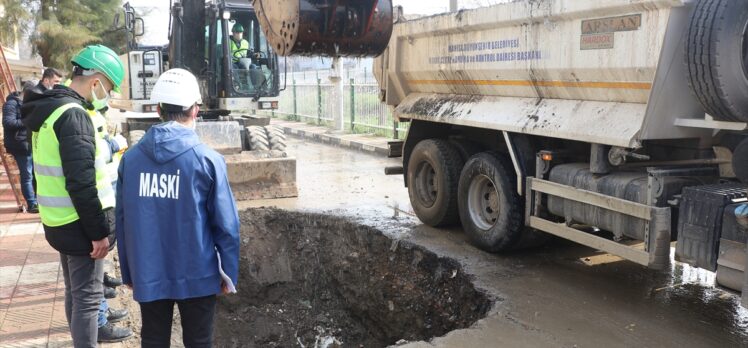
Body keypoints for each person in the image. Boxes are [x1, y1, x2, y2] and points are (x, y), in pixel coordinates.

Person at [115, 68, 240, 347]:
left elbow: (122, 221)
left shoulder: (131, 160)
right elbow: (227, 225)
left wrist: (130, 271)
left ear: (157, 109)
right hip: (198, 272)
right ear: (195, 110)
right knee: (198, 341)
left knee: (154, 338)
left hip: (148, 270)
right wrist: (228, 274)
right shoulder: (208, 160)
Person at [21, 44, 133, 346]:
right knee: (87, 298)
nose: (106, 95)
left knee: (75, 292)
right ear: (95, 81)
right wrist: (98, 232)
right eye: (108, 87)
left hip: (58, 221)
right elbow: (81, 182)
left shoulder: (49, 110)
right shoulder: (73, 115)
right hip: (79, 225)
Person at [3, 80, 38, 212]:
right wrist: (28, 121)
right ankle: (31, 204)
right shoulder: (11, 104)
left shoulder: (29, 103)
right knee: (27, 174)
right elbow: (8, 122)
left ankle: (37, 200)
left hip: (30, 143)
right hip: (20, 144)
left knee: (35, 173)